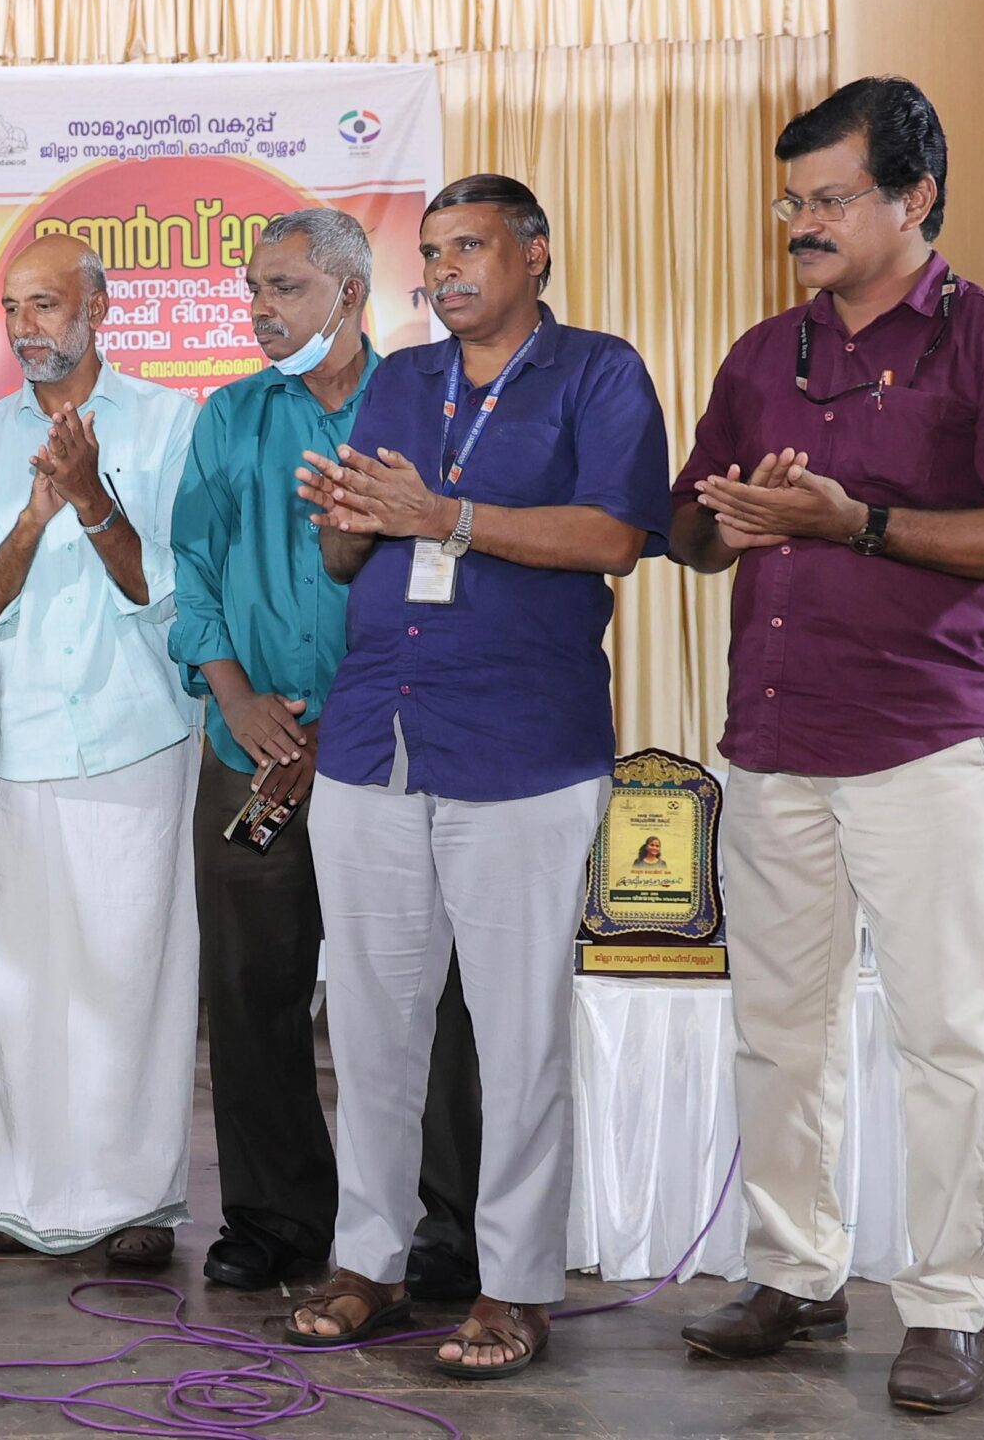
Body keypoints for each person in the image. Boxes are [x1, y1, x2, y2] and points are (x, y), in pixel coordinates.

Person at [669, 78, 984, 1415]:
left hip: (921, 737)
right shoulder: (762, 355)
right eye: (791, 200)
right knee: (778, 1029)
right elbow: (686, 532)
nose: (802, 221)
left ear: (914, 198)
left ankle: (950, 1303)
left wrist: (855, 521)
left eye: (830, 198)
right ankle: (794, 1274)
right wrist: (725, 520)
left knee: (943, 1035)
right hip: (773, 737)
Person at [291, 175, 668, 1377]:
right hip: (374, 738)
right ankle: (367, 1261)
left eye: (470, 247)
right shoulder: (402, 379)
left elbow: (615, 536)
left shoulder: (599, 373)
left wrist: (443, 514)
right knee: (369, 1028)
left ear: (534, 253)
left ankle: (514, 1286)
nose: (446, 270)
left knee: (516, 1040)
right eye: (433, 251)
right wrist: (343, 513)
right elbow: (349, 555)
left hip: (521, 748)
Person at [167, 209, 483, 1298]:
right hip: (247, 746)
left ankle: (443, 1225)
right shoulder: (230, 415)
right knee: (250, 987)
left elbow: (450, 579)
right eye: (252, 288)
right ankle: (275, 1218)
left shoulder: (422, 406)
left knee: (418, 992)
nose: (259, 308)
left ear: (349, 295)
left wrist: (335, 723)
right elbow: (194, 573)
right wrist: (239, 699)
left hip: (390, 748)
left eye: (284, 288)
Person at [0, 234, 202, 1264]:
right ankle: (20, 1194)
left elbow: (165, 590)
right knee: (25, 985)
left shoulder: (171, 423)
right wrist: (34, 515)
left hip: (139, 731)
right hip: (28, 737)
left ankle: (135, 1205)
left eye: (45, 304)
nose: (24, 327)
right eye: (12, 308)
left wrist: (92, 499)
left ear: (99, 308)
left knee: (133, 975)